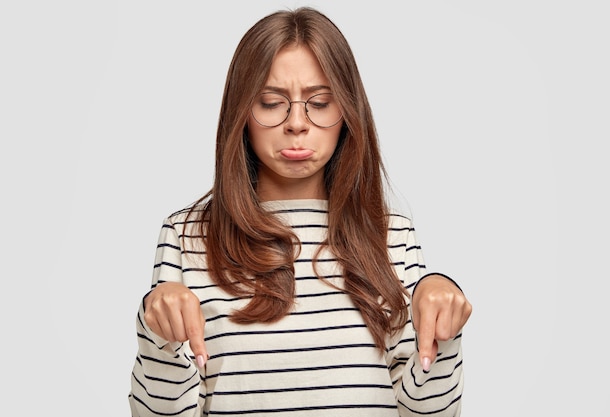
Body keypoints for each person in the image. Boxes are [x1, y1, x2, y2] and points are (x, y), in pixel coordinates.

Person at [129, 7, 472, 417]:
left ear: (347, 111)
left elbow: (429, 413)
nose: (296, 123)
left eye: (320, 102)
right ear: (240, 113)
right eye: (271, 103)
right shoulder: (186, 237)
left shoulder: (391, 237)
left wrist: (445, 330)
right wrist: (157, 335)